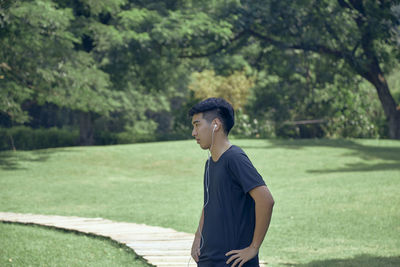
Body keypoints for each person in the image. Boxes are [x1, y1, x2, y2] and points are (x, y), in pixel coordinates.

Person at [189, 97, 275, 267]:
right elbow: (209, 204)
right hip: (208, 258)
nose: (194, 133)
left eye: (197, 125)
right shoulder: (210, 163)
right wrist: (198, 237)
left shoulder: (234, 158)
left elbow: (266, 200)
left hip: (233, 261)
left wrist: (253, 248)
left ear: (215, 124)